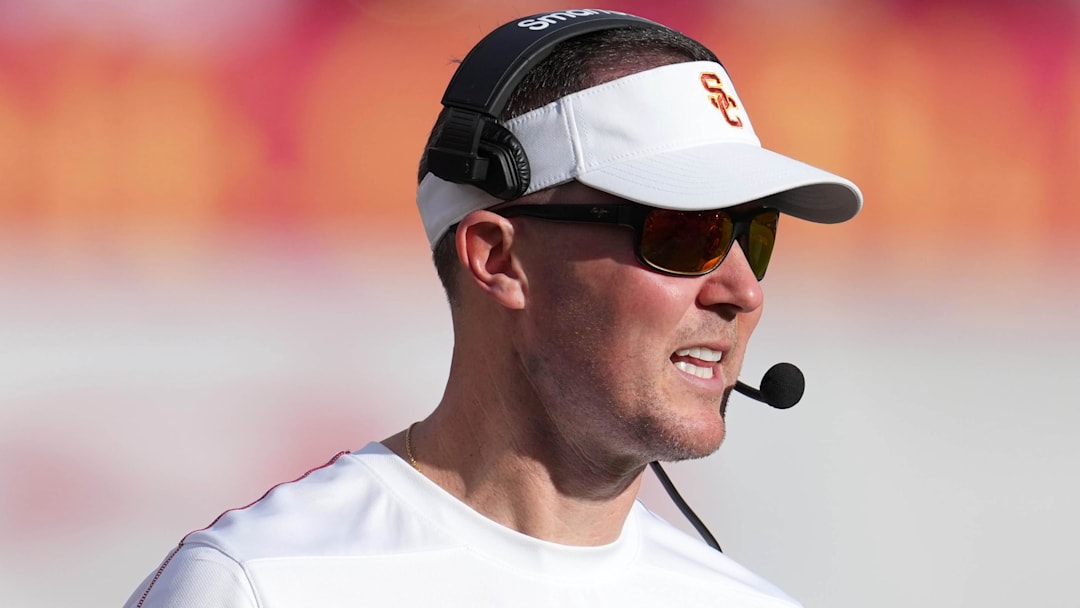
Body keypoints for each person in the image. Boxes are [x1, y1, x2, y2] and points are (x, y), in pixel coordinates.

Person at [125, 9, 861, 607]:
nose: (744, 290)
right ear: (498, 260)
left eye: (752, 233)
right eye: (684, 232)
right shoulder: (261, 585)